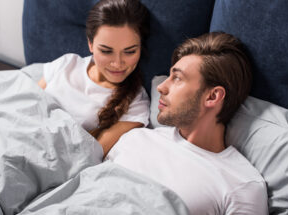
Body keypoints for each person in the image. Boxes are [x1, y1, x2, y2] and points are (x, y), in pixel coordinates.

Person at [106, 32, 269, 214]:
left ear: (212, 96)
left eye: (177, 78)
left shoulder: (240, 184)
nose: (161, 87)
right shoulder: (136, 138)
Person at [37, 0, 150, 156]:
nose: (117, 63)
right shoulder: (67, 63)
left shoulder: (136, 105)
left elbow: (89, 155)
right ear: (90, 44)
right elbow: (29, 106)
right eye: (106, 51)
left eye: (129, 52)